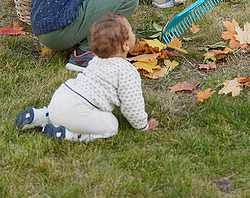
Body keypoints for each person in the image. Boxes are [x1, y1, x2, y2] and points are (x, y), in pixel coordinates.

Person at [16, 13, 156, 142]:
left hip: (60, 96)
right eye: (131, 31)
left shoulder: (95, 61)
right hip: (78, 111)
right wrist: (143, 126)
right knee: (112, 125)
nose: (133, 33)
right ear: (126, 45)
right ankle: (68, 134)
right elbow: (132, 106)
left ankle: (40, 116)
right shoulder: (127, 72)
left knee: (60, 113)